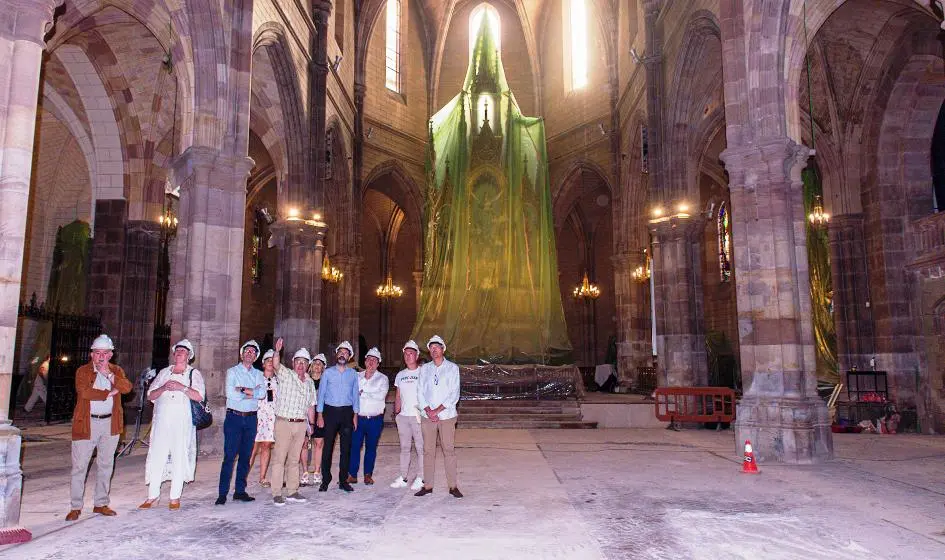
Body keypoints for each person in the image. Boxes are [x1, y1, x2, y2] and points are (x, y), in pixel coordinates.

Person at [66, 334, 133, 521]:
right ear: (91, 354)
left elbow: (127, 388)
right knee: (80, 466)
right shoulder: (83, 371)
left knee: (105, 464)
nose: (101, 357)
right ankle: (75, 506)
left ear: (111, 354)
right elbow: (84, 392)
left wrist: (109, 375)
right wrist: (109, 393)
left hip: (110, 423)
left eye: (105, 353)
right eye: (97, 353)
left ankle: (101, 503)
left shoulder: (116, 370)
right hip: (87, 423)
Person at [140, 339, 205, 510]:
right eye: (177, 351)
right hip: (162, 421)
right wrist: (164, 389)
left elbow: (199, 396)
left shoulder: (193, 374)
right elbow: (150, 395)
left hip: (182, 422)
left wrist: (181, 387)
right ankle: (152, 495)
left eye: (183, 351)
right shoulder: (164, 372)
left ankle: (175, 496)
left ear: (189, 356)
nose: (179, 353)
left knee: (179, 455)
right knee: (157, 455)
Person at [269, 339, 317, 506]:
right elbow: (275, 365)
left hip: (301, 424)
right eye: (298, 362)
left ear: (308, 365)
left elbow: (311, 405)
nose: (300, 365)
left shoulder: (310, 383)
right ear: (293, 363)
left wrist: (312, 426)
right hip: (284, 422)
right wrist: (277, 351)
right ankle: (276, 492)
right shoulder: (286, 374)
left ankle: (292, 491)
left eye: (304, 362)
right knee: (279, 459)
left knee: (295, 459)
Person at [216, 340, 265, 505]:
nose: (249, 353)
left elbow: (263, 393)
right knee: (229, 456)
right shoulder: (232, 371)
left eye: (253, 352)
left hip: (251, 418)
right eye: (247, 351)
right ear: (242, 353)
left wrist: (242, 389)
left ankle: (240, 491)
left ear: (256, 356)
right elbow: (231, 393)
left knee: (245, 456)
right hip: (234, 418)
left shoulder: (259, 374)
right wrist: (251, 392)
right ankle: (222, 493)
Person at [415, 335, 463, 498]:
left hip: (447, 416)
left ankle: (453, 486)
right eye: (432, 348)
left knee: (448, 450)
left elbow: (454, 394)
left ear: (443, 349)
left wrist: (437, 410)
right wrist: (428, 410)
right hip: (427, 416)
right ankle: (427, 486)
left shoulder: (452, 368)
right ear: (429, 351)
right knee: (428, 451)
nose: (434, 350)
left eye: (437, 347)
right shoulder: (425, 369)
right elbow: (420, 391)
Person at [316, 341, 360, 493]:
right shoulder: (327, 373)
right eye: (340, 352)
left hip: (347, 413)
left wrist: (355, 414)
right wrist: (320, 415)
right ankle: (325, 480)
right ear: (336, 355)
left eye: (346, 352)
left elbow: (355, 395)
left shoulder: (353, 374)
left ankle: (343, 481)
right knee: (327, 448)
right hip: (330, 412)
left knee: (346, 448)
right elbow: (321, 394)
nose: (342, 354)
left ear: (349, 356)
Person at [348, 347, 389, 485]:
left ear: (378, 364)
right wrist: (365, 393)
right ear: (365, 361)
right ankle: (352, 474)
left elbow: (380, 396)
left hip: (375, 419)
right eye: (369, 359)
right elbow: (352, 395)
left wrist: (362, 393)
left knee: (371, 447)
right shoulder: (356, 377)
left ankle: (367, 475)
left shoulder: (383, 379)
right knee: (354, 446)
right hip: (358, 418)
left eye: (374, 360)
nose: (371, 362)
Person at [391, 340, 424, 490]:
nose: (408, 356)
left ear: (417, 356)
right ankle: (403, 477)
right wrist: (396, 413)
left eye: (411, 353)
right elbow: (398, 396)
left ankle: (421, 478)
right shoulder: (400, 375)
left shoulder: (423, 372)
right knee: (404, 448)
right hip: (403, 417)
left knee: (420, 448)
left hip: (418, 416)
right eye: (406, 354)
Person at [250, 349, 278, 487]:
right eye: (267, 360)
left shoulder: (278, 380)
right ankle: (242, 477)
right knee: (252, 448)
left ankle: (262, 477)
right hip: (257, 414)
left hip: (271, 416)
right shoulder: (256, 378)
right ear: (263, 364)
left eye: (272, 361)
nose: (270, 363)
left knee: (266, 445)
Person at [300, 353, 327, 487]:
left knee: (319, 443)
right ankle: (305, 471)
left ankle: (317, 471)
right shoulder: (304, 379)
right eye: (315, 363)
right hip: (304, 415)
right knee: (304, 443)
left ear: (323, 367)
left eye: (320, 364)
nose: (317, 366)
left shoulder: (326, 381)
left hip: (320, 415)